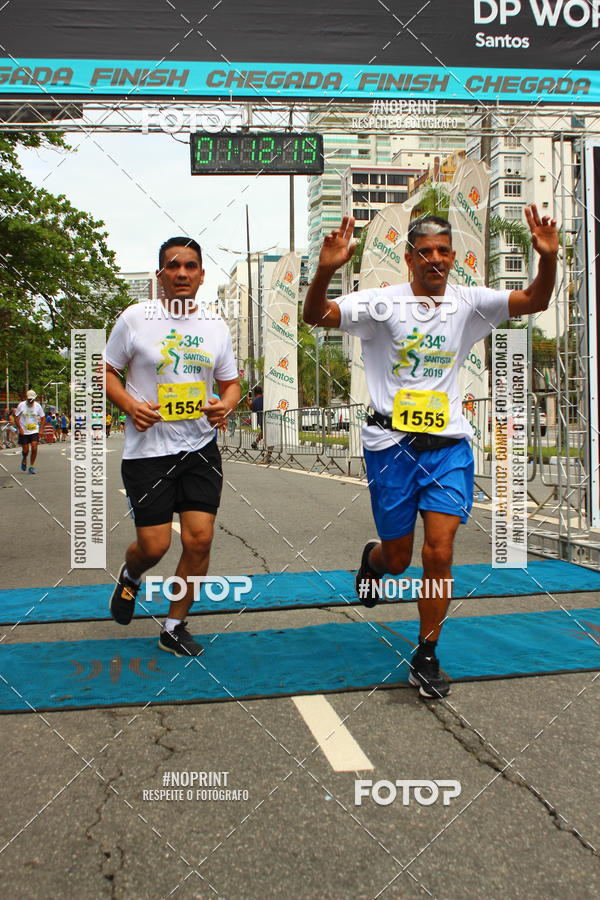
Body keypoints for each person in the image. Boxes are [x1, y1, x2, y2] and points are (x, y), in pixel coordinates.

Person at [304, 206, 558, 699]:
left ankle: (426, 653)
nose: (435, 260)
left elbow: (533, 300)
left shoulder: (469, 302)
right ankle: (373, 562)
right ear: (409, 259)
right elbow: (317, 315)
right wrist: (327, 269)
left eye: (444, 252)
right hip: (391, 447)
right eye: (426, 252)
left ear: (454, 258)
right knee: (399, 558)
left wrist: (546, 259)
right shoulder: (382, 304)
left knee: (438, 553)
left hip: (448, 447)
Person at [104, 236, 240, 657]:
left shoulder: (216, 325)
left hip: (200, 448)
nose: (182, 273)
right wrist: (129, 403)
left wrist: (226, 406)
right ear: (160, 274)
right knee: (155, 546)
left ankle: (175, 624)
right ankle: (130, 574)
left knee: (199, 540)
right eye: (173, 266)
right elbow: (107, 370)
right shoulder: (134, 319)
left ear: (201, 274)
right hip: (148, 452)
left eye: (191, 266)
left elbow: (230, 384)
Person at [14, 390, 45, 473]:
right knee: (26, 450)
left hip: (34, 430)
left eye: (32, 399)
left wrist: (41, 429)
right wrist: (20, 428)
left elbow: (42, 417)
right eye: (29, 399)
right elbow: (16, 418)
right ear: (26, 398)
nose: (30, 401)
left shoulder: (38, 406)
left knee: (34, 447)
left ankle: (31, 466)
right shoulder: (21, 405)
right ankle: (24, 458)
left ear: (34, 398)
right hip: (24, 430)